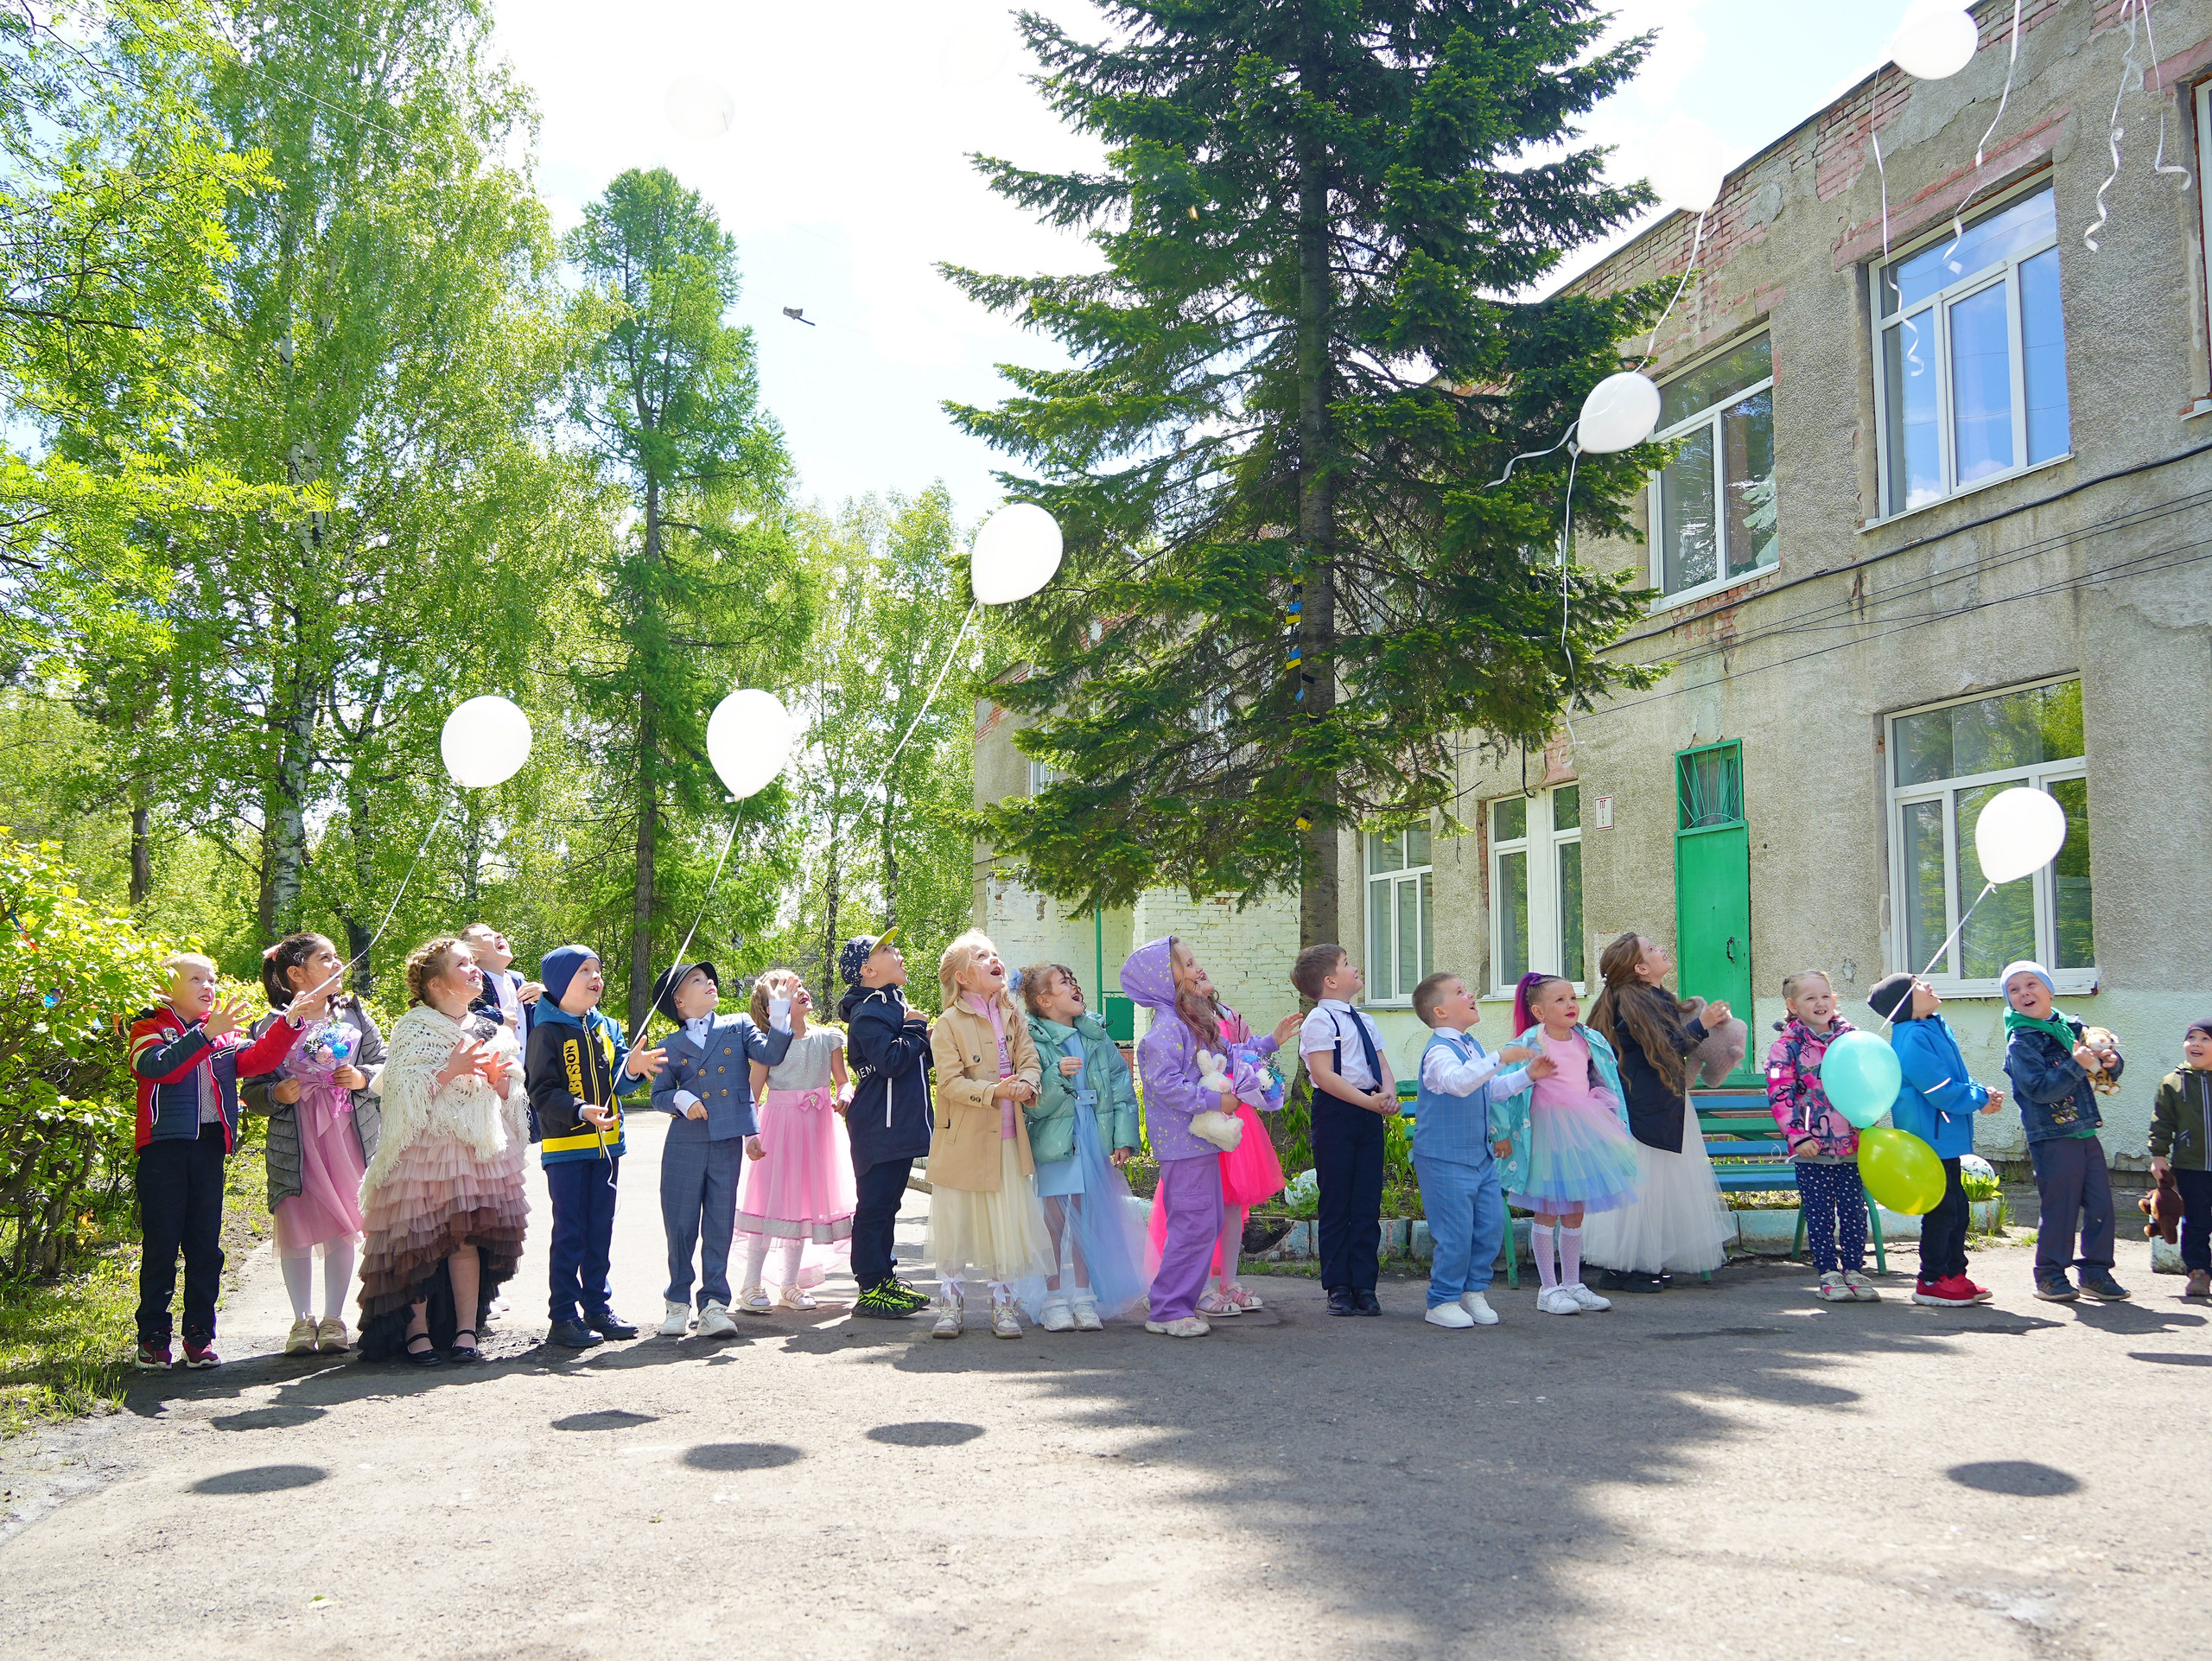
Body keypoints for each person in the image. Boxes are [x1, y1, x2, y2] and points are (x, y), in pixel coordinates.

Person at [128, 953, 315, 1369]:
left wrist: (289, 1023)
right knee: (161, 1245)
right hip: (163, 1149)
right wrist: (204, 1035)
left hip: (209, 1148)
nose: (208, 986)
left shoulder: (223, 1036)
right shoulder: (148, 1028)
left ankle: (199, 1335)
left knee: (205, 1247)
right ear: (165, 990)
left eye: (211, 978)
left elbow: (257, 1060)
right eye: (196, 978)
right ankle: (153, 1337)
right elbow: (159, 1068)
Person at [357, 936, 531, 1364]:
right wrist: (449, 1070)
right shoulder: (413, 1027)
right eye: (462, 964)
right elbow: (398, 1089)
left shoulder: (491, 1029)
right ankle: (416, 1332)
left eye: (473, 962)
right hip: (426, 1150)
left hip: (480, 1151)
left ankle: (466, 1330)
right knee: (421, 1240)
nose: (474, 969)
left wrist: (500, 1081)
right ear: (435, 985)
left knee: (466, 1240)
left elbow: (514, 1091)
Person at [1123, 935, 1302, 1335]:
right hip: (1182, 1144)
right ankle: (1169, 1310)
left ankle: (1177, 1303)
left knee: (1204, 1222)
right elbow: (1164, 1084)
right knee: (1192, 1223)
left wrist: (1271, 1042)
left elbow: (1233, 1053)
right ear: (1162, 980)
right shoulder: (1165, 1032)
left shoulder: (1191, 1024)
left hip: (1201, 1142)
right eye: (1186, 964)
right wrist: (1213, 1101)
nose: (1197, 967)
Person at [241, 933, 385, 1355]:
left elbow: (385, 1062)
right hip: (296, 1136)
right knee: (297, 1222)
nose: (338, 963)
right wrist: (274, 1095)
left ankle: (333, 1318)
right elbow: (253, 1086)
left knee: (343, 1219)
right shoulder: (270, 1024)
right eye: (327, 958)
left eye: (338, 956)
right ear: (296, 973)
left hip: (346, 1131)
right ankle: (301, 1320)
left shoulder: (355, 1014)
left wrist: (361, 1077)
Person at [525, 945, 664, 1349]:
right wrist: (581, 1110)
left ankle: (598, 1307)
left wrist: (635, 1070)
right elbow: (543, 1091)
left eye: (598, 970)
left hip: (606, 1149)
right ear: (559, 983)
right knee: (571, 1232)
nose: (595, 977)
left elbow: (620, 1080)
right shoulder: (545, 1031)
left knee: (599, 1230)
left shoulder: (608, 1028)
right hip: (566, 1149)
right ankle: (563, 1315)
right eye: (584, 970)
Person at [647, 959, 794, 1338]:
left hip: (726, 1140)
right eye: (697, 980)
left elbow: (772, 1054)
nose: (709, 982)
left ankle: (714, 1305)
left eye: (709, 978)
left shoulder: (737, 1025)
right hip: (685, 1142)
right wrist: (681, 1097)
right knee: (679, 1224)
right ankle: (677, 1302)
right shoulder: (669, 1045)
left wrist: (780, 1010)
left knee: (718, 1225)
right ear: (679, 1000)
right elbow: (658, 1094)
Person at [1579, 932, 1732, 1293]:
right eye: (1651, 949)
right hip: (1643, 1109)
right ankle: (1625, 1267)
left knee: (1656, 1187)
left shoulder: (1648, 996)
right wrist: (1702, 1024)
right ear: (1641, 968)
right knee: (1642, 1188)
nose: (1661, 949)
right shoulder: (1634, 1001)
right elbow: (1664, 1047)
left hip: (1659, 1104)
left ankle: (1642, 1261)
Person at [927, 931, 1052, 1338]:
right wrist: (995, 1090)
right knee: (955, 1223)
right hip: (963, 1140)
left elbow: (1029, 1060)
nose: (995, 960)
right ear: (962, 976)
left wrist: (1027, 1084)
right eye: (983, 956)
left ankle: (1004, 1305)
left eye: (996, 953)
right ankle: (950, 1304)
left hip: (1006, 1140)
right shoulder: (947, 1024)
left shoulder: (1014, 1016)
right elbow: (948, 1083)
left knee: (1006, 1225)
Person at [1403, 971, 1545, 1329]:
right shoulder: (1439, 1051)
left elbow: (1490, 1090)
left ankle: (1473, 1290)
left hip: (1478, 1157)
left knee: (1489, 1227)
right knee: (1455, 1232)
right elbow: (1458, 1083)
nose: (1471, 995)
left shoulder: (1473, 1046)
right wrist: (1501, 1056)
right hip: (1444, 1156)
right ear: (1440, 1012)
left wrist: (1528, 1075)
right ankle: (1442, 1300)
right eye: (1460, 991)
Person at [1496, 972, 1640, 1316]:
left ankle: (1573, 1283)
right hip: (1546, 1131)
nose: (1571, 1005)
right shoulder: (1530, 1043)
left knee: (1575, 1210)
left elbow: (1602, 1078)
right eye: (1560, 1000)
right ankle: (1548, 1287)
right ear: (1539, 1012)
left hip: (1584, 1129)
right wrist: (1500, 1132)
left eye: (1573, 998)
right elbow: (1502, 1089)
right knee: (1548, 1208)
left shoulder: (1588, 1040)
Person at [1019, 962, 1148, 1329]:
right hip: (1056, 1139)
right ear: (1044, 1000)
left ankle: (1084, 1294)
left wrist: (1124, 1137)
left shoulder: (1095, 1034)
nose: (1074, 985)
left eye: (1073, 979)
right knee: (1054, 1220)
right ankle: (1053, 1296)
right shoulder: (1033, 1040)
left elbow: (1122, 1087)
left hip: (1092, 1134)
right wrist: (1055, 1075)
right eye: (1063, 983)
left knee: (1088, 1215)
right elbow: (1033, 1101)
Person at [1866, 971, 2004, 1308]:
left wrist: (1981, 1091)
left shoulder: (1933, 1025)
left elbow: (1956, 1076)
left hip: (1945, 1135)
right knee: (1943, 1212)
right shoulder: (1912, 1035)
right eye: (1917, 985)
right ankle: (1930, 1279)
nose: (1928, 985)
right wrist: (1978, 1099)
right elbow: (1938, 1089)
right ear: (1906, 1003)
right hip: (1929, 1138)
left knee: (1957, 1208)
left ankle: (1954, 1275)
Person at [1999, 959, 2126, 1302]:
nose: (2024, 993)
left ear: (2049, 990)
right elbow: (2038, 1089)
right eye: (2014, 989)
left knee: (2101, 1203)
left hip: (2084, 1131)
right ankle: (2051, 1275)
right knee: (2061, 1206)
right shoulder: (2021, 1041)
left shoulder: (2072, 1027)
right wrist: (2077, 1065)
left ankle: (2096, 1273)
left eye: (2031, 984)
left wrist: (2111, 1062)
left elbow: (2104, 1063)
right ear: (2009, 1001)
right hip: (2052, 1136)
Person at [735, 971, 854, 1313]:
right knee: (770, 1202)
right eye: (790, 989)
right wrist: (751, 1135)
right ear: (771, 1004)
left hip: (818, 1130)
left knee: (802, 1205)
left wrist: (845, 1095)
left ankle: (790, 1283)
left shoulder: (828, 1038)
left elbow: (842, 1080)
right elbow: (752, 1095)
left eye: (801, 985)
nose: (801, 991)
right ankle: (751, 1283)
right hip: (780, 1130)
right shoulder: (766, 1046)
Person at [1294, 942, 1399, 1317]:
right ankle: (1338, 1286)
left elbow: (1381, 1065)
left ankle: (1364, 1286)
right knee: (1337, 1201)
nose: (1355, 968)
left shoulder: (1365, 1020)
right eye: (1347, 963)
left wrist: (1386, 1095)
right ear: (1330, 981)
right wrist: (1368, 1101)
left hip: (1369, 1112)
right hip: (1337, 1112)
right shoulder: (1320, 1021)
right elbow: (1323, 1074)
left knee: (1366, 1201)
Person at [1764, 969, 1878, 1304]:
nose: (1820, 1003)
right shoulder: (1786, 1047)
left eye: (1825, 996)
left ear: (1835, 1000)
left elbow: (1868, 1082)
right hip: (1811, 1148)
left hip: (1852, 1144)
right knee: (1820, 1213)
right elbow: (1780, 1094)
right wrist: (1797, 1137)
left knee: (1854, 1211)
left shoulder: (1852, 1039)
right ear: (1793, 1005)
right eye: (1810, 997)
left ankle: (1855, 1269)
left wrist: (1867, 1123)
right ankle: (1828, 1273)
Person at [838, 932, 935, 1320]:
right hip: (879, 1126)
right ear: (868, 970)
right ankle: (871, 1286)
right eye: (887, 950)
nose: (898, 953)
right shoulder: (870, 1010)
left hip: (896, 1125)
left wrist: (920, 1037)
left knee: (888, 1204)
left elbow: (913, 1063)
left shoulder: (892, 1003)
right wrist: (914, 1031)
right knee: (875, 1206)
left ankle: (885, 1279)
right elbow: (891, 1061)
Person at [2150, 1018, 2212, 1300]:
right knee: (2196, 1221)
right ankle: (2198, 1272)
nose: (2195, 1044)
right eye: (2191, 1038)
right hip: (2190, 1165)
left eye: (2205, 1039)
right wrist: (2159, 1156)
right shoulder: (2173, 1083)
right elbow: (2162, 1122)